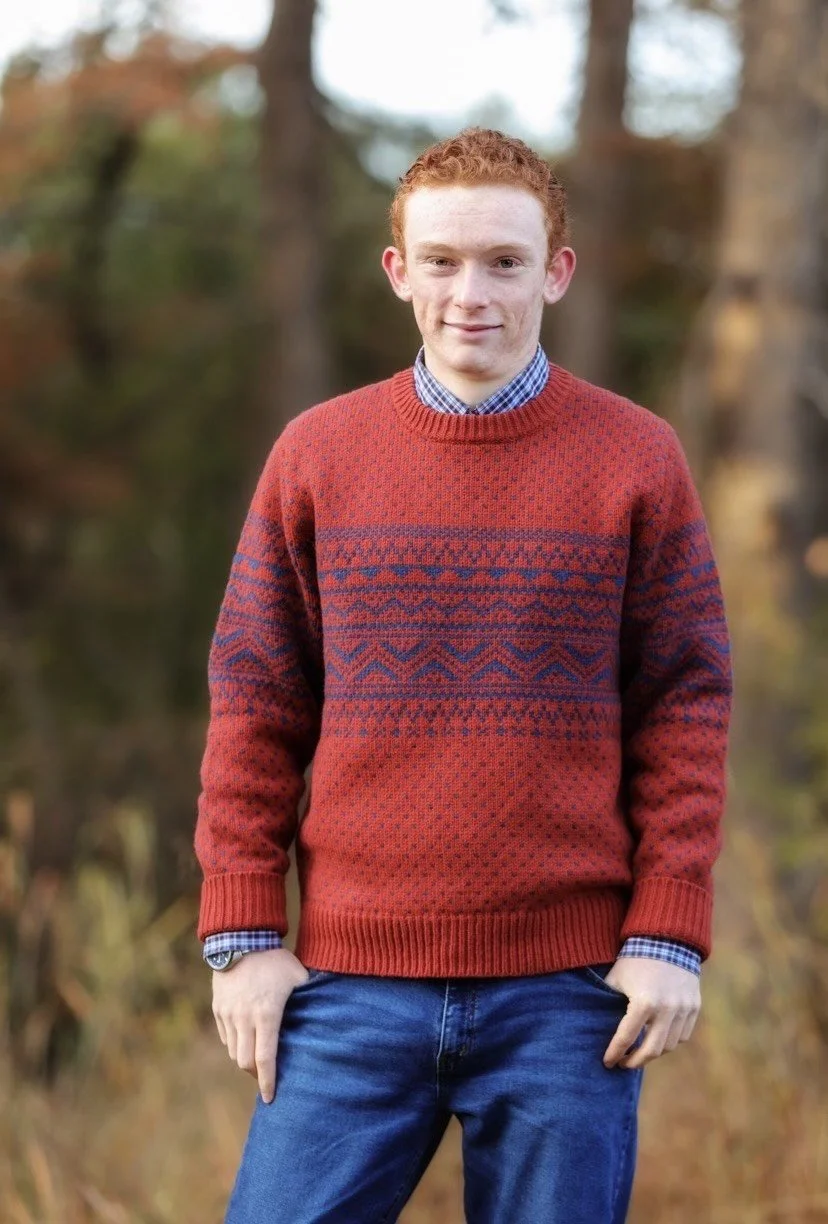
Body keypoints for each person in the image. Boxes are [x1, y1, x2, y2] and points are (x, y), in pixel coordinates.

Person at [194, 127, 732, 1224]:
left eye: (504, 262)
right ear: (399, 271)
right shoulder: (318, 454)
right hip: (348, 987)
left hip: (570, 998)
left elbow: (684, 702)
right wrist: (243, 938)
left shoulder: (636, 457)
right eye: (441, 261)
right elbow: (256, 698)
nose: (470, 294)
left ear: (556, 272)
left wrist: (668, 934)